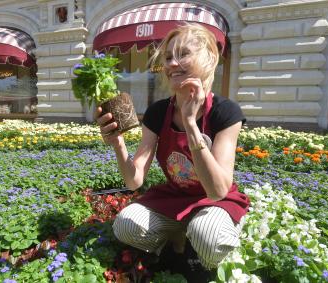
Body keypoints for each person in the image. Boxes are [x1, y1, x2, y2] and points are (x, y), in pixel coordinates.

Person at [95, 23, 250, 270]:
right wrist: (118, 143)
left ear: (209, 58)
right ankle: (177, 241)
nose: (172, 64)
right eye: (168, 58)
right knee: (125, 224)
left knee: (209, 236)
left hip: (214, 201)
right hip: (174, 198)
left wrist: (190, 124)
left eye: (183, 54)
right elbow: (134, 181)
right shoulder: (158, 112)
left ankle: (205, 258)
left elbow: (218, 190)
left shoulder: (226, 112)